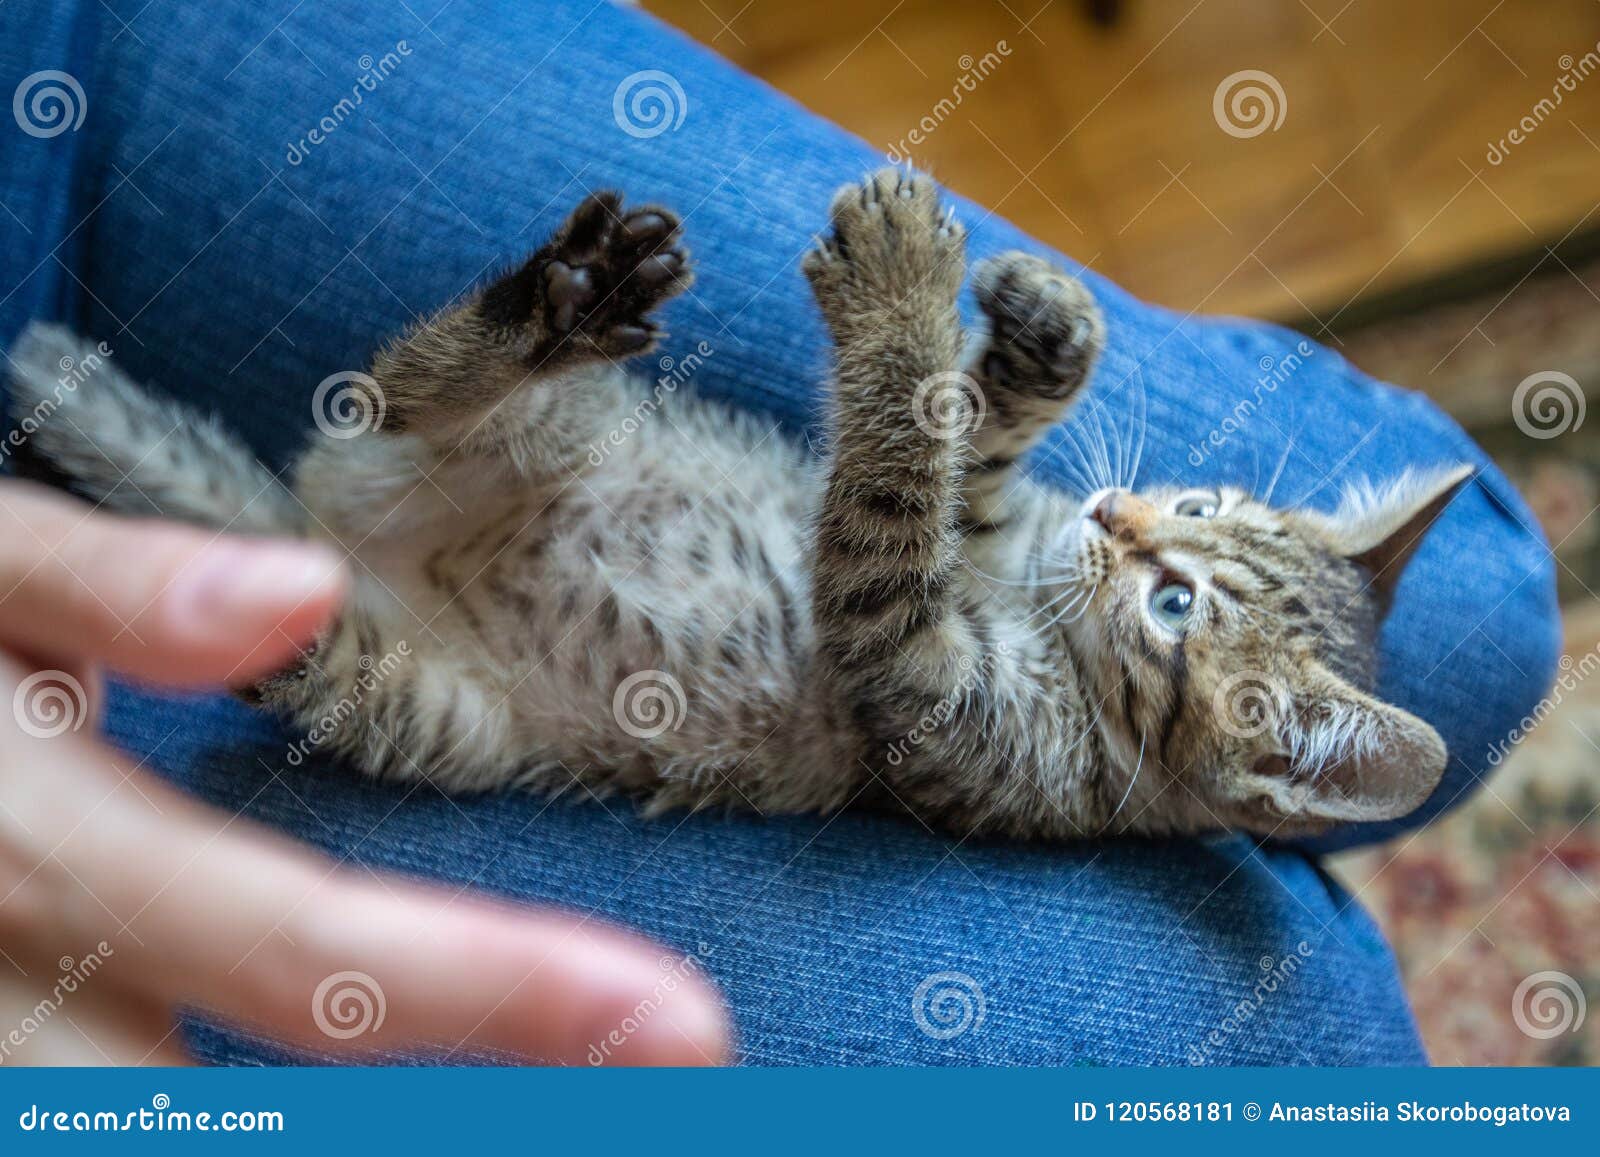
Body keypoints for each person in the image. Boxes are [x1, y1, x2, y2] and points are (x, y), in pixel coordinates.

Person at [0, 0, 1556, 1065]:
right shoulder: (1110, 631)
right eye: (1194, 519)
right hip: (543, 486)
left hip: (472, 654)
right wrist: (1004, 410)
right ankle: (511, 343)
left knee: (368, 670)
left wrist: (901, 354)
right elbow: (975, 522)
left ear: (1250, 757)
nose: (1134, 518)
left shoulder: (1055, 769)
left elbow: (890, 640)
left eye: (1167, 591)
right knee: (1477, 618)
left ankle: (447, 366)